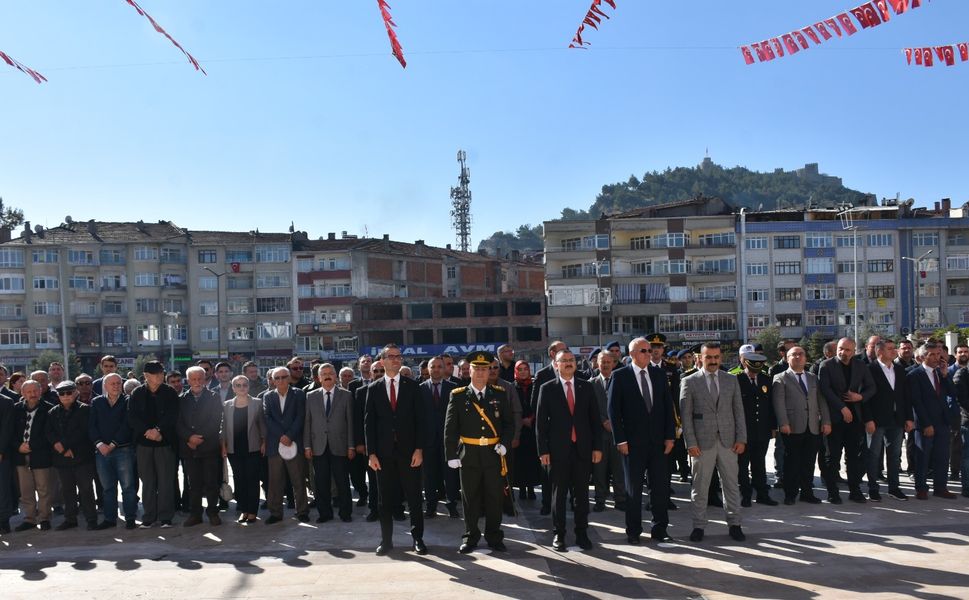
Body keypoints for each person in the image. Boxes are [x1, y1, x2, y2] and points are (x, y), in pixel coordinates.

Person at [607, 337, 676, 545]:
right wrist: (620, 440)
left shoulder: (659, 374)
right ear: (632, 354)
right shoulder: (620, 376)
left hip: (658, 443)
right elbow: (613, 411)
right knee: (634, 490)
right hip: (632, 444)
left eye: (650, 350)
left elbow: (667, 407)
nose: (649, 353)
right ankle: (633, 530)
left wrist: (670, 436)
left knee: (660, 487)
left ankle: (659, 528)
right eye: (644, 350)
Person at [445, 351, 515, 554]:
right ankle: (471, 536)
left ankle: (494, 536)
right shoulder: (458, 396)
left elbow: (509, 425)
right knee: (470, 498)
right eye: (477, 369)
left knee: (494, 497)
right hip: (469, 454)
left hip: (493, 454)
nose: (481, 373)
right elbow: (450, 429)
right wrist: (451, 454)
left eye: (485, 369)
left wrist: (505, 443)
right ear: (469, 371)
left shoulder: (499, 394)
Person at [680, 342, 747, 542]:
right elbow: (686, 416)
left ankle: (735, 524)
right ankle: (698, 526)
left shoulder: (731, 380)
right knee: (700, 487)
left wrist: (741, 438)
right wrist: (690, 443)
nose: (713, 361)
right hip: (701, 444)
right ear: (700, 358)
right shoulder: (689, 381)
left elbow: (739, 412)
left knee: (732, 486)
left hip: (729, 442)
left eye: (716, 357)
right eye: (708, 357)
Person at [536, 349, 602, 551]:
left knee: (581, 495)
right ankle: (559, 534)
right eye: (563, 361)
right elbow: (541, 425)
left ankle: (582, 533)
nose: (568, 363)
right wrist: (543, 451)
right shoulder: (547, 388)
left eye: (571, 360)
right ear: (555, 364)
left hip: (582, 449)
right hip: (558, 451)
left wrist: (597, 447)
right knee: (559, 495)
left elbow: (595, 420)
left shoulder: (586, 387)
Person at [365, 344, 427, 556]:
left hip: (409, 452)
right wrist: (371, 453)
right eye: (391, 357)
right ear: (382, 361)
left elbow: (421, 421)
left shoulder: (412, 386)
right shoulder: (374, 389)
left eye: (398, 356)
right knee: (385, 500)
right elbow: (369, 424)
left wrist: (419, 449)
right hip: (383, 454)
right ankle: (386, 541)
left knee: (414, 497)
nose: (396, 360)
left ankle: (417, 538)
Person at [818, 338, 876, 504]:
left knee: (854, 458)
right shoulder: (827, 365)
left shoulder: (860, 366)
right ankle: (832, 492)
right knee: (832, 457)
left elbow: (871, 387)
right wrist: (842, 408)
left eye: (848, 350)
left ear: (854, 350)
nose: (843, 352)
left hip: (855, 419)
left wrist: (860, 396)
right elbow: (825, 390)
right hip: (835, 419)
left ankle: (855, 490)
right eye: (841, 349)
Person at [772, 347, 831, 505]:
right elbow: (778, 403)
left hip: (812, 427)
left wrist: (826, 421)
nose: (798, 357)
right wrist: (783, 423)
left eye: (801, 354)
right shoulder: (780, 378)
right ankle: (790, 494)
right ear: (787, 358)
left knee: (808, 462)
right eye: (794, 355)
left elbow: (821, 401)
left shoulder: (813, 378)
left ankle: (807, 492)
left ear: (805, 358)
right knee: (792, 462)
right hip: (792, 427)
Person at [128, 361, 180, 528]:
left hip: (164, 443)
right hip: (144, 444)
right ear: (146, 376)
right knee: (148, 482)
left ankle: (166, 517)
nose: (160, 376)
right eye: (156, 373)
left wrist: (158, 431)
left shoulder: (170, 392)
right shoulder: (137, 393)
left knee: (166, 481)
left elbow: (173, 415)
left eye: (161, 373)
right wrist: (148, 432)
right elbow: (132, 417)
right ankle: (149, 517)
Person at [303, 364, 355, 523]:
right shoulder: (310, 396)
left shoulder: (346, 395)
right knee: (321, 482)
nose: (327, 376)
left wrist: (351, 446)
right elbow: (307, 422)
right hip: (318, 446)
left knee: (342, 481)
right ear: (318, 378)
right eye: (323, 374)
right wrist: (307, 445)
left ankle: (345, 513)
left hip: (340, 445)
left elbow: (350, 422)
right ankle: (325, 513)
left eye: (330, 373)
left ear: (335, 376)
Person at [864, 339, 914, 501]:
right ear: (879, 352)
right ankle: (873, 488)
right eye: (890, 349)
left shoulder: (899, 370)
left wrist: (908, 418)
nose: (894, 351)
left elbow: (906, 397)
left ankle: (894, 488)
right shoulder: (869, 370)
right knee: (873, 455)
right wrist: (868, 419)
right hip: (876, 421)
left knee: (895, 455)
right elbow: (864, 398)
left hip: (897, 420)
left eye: (894, 348)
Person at [46, 380, 98, 531]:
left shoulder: (85, 410)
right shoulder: (53, 412)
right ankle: (70, 519)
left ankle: (91, 519)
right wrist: (60, 447)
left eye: (69, 392)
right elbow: (49, 432)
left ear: (76, 393)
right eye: (62, 393)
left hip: (82, 457)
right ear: (58, 395)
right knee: (67, 490)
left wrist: (66, 446)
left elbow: (83, 431)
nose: (66, 396)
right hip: (62, 459)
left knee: (86, 489)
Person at [908, 343, 957, 500]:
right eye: (933, 354)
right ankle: (921, 488)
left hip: (942, 421)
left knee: (942, 456)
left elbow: (951, 392)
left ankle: (940, 487)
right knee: (923, 456)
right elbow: (916, 402)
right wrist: (926, 424)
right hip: (925, 423)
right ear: (923, 357)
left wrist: (944, 375)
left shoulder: (941, 373)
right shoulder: (915, 375)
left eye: (938, 354)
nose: (937, 357)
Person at [89, 373, 138, 529]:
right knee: (107, 488)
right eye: (112, 383)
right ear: (105, 386)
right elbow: (91, 426)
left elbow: (127, 425)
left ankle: (130, 517)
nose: (116, 386)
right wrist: (99, 444)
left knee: (128, 487)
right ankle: (110, 519)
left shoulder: (128, 401)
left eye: (118, 383)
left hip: (123, 450)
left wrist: (112, 444)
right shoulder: (96, 402)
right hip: (101, 452)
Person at [177, 366, 224, 527]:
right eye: (193, 379)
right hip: (189, 448)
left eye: (200, 379)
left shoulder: (214, 397)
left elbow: (216, 420)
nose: (197, 382)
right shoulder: (181, 399)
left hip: (208, 446)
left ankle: (213, 513)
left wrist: (199, 437)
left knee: (211, 483)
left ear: (205, 380)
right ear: (188, 380)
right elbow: (178, 423)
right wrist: (189, 437)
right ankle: (195, 514)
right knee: (193, 484)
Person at [263, 367, 309, 523]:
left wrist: (289, 435)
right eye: (277, 378)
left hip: (294, 442)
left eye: (284, 377)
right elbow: (267, 418)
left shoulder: (299, 394)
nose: (281, 380)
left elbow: (301, 416)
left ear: (289, 378)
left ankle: (302, 511)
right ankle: (275, 513)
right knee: (275, 481)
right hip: (275, 444)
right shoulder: (268, 396)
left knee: (298, 480)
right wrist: (281, 436)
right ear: (273, 380)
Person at [736, 345, 777, 507]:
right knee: (742, 466)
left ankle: (762, 494)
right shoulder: (737, 380)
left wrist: (773, 427)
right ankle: (745, 495)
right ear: (745, 364)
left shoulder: (766, 380)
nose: (755, 371)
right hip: (743, 432)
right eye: (752, 365)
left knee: (760, 464)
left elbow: (771, 406)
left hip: (762, 431)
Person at [221, 375, 265, 523]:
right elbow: (223, 427)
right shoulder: (226, 405)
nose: (241, 388)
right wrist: (223, 446)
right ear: (233, 388)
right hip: (234, 449)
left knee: (252, 480)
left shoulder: (258, 403)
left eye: (244, 385)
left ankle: (252, 511)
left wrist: (264, 442)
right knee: (239, 481)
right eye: (238, 385)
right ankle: (244, 510)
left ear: (248, 386)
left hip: (253, 448)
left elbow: (262, 425)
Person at [531, 340, 568, 515]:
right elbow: (535, 405)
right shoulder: (542, 375)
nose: (566, 353)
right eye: (562, 350)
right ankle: (547, 504)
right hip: (551, 432)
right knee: (548, 473)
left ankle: (574, 502)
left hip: (571, 432)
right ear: (553, 354)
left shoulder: (577, 374)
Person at [420, 356, 459, 518]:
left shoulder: (454, 388)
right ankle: (431, 506)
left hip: (449, 440)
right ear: (428, 369)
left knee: (450, 474)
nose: (436, 369)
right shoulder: (420, 389)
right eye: (433, 367)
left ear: (444, 369)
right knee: (429, 475)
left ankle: (452, 505)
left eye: (439, 366)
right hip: (427, 440)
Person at [13, 380, 54, 531]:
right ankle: (29, 519)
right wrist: (18, 446)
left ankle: (44, 518)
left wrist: (32, 446)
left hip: (41, 455)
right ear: (23, 394)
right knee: (26, 490)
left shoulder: (48, 409)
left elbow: (48, 434)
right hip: (20, 455)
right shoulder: (16, 409)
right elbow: (10, 432)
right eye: (29, 392)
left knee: (44, 489)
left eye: (35, 391)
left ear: (40, 391)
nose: (33, 394)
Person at [591, 350, 626, 512]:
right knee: (599, 470)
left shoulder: (621, 381)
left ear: (613, 363)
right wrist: (602, 421)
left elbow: (626, 407)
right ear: (597, 364)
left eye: (608, 361)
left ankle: (620, 499)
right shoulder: (590, 384)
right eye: (602, 361)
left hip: (618, 434)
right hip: (599, 435)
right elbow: (588, 408)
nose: (605, 364)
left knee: (619, 469)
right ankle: (600, 499)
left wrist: (615, 422)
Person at [513, 360, 541, 501]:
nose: (523, 371)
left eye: (525, 369)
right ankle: (522, 489)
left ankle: (531, 489)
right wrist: (521, 420)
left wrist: (531, 418)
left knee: (532, 460)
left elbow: (539, 404)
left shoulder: (535, 385)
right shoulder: (512, 387)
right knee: (520, 461)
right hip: (518, 429)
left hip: (533, 427)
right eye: (520, 369)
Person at [0, 376, 15, 533]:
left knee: (2, 489)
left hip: (1, 453)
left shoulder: (5, 402)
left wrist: (1, 450)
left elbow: (6, 429)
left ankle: (3, 521)